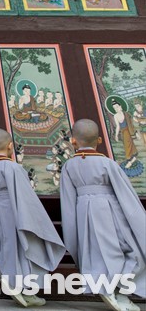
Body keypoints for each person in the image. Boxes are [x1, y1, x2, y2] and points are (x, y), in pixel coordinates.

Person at [60, 119, 145, 311]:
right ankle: (117, 290)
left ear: (73, 141)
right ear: (99, 140)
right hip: (109, 210)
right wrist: (137, 219)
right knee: (127, 249)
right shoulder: (107, 163)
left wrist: (72, 228)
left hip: (82, 211)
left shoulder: (68, 166)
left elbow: (67, 200)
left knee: (94, 251)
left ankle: (108, 287)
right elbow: (125, 193)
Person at [0, 128, 65, 308]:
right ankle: (25, 289)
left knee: (8, 246)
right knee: (24, 247)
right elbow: (25, 196)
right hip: (16, 211)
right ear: (10, 146)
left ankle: (11, 280)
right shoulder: (14, 167)